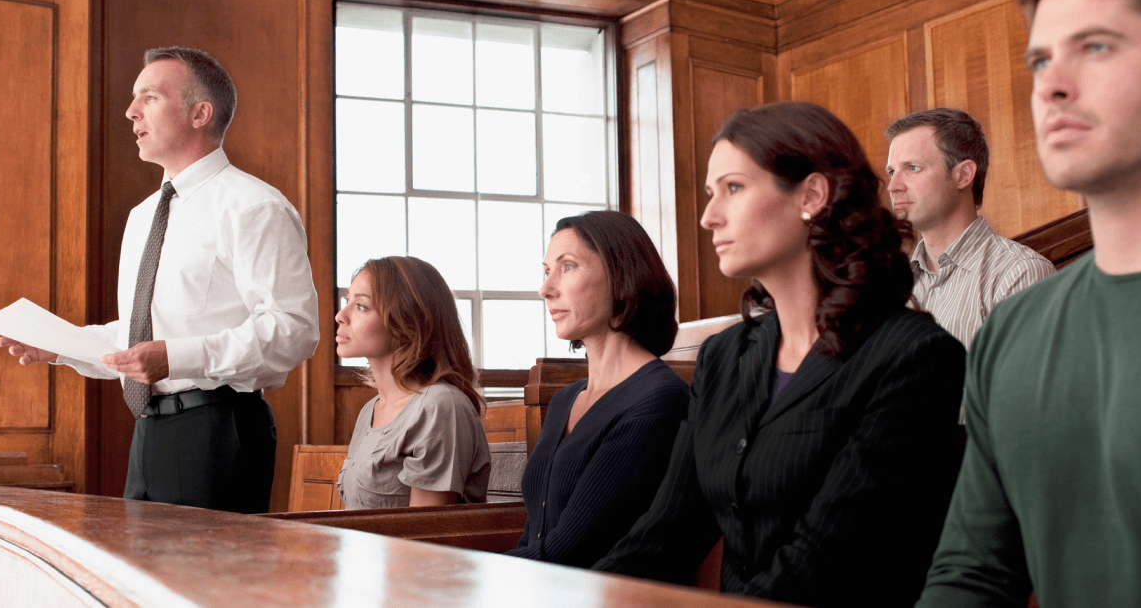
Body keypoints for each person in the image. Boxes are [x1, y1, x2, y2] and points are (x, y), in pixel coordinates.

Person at [593, 101, 965, 607]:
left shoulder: (915, 356)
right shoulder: (722, 358)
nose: (708, 216)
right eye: (710, 193)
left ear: (811, 194)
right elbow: (665, 532)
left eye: (734, 188)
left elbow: (823, 563)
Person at [917, 0, 1141, 605]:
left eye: (1095, 47)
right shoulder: (1014, 330)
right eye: (1040, 60)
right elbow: (973, 574)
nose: (1050, 85)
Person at [0, 47, 318, 513]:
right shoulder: (144, 215)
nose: (130, 112)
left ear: (199, 113)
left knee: (206, 585)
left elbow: (294, 329)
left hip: (218, 429)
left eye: (148, 97)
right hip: (149, 431)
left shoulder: (253, 207)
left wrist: (176, 357)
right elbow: (141, 337)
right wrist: (61, 348)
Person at [504, 210, 689, 567]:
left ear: (622, 276)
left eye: (568, 267)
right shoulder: (564, 401)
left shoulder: (658, 401)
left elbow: (573, 551)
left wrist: (461, 575)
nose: (546, 289)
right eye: (546, 272)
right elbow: (535, 535)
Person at [885, 108, 1055, 348]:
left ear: (963, 175)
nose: (893, 186)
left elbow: (1025, 384)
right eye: (892, 172)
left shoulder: (1019, 274)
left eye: (912, 168)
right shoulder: (892, 288)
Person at [334, 256, 490, 509]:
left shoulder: (440, 406)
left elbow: (424, 535)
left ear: (406, 320)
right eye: (347, 301)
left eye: (361, 306)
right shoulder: (370, 410)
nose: (341, 315)